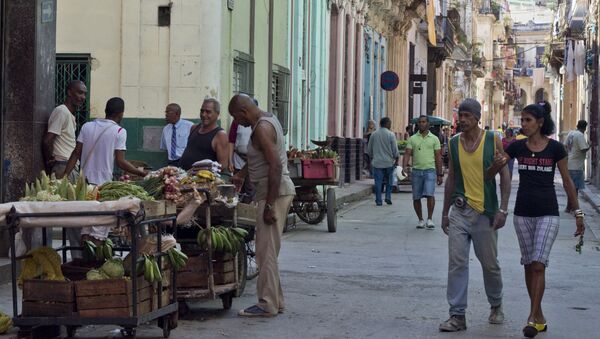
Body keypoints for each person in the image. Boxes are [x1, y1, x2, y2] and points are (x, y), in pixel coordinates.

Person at [487, 101, 584, 338]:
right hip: (523, 213)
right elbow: (489, 174)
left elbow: (568, 181)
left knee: (539, 264)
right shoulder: (517, 147)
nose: (524, 124)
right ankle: (538, 315)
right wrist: (497, 165)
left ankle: (531, 318)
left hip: (548, 212)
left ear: (540, 122)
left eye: (528, 120)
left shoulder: (556, 149)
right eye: (522, 120)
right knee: (529, 264)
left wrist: (578, 212)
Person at [439, 98, 511, 332]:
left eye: (467, 116)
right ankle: (457, 315)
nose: (462, 120)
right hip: (460, 211)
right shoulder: (452, 143)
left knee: (489, 264)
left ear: (478, 118)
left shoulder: (493, 140)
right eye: (461, 115)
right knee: (457, 263)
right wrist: (444, 212)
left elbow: (505, 176)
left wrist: (503, 209)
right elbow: (452, 179)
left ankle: (496, 304)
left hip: (486, 213)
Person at [228, 94, 296, 317]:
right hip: (273, 190)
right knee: (269, 251)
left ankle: (267, 303)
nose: (237, 123)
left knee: (264, 251)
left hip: (273, 192)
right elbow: (261, 158)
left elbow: (275, 165)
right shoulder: (267, 119)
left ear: (244, 112)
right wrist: (241, 174)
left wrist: (268, 205)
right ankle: (277, 301)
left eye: (237, 118)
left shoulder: (261, 129)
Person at [62, 97, 147, 242]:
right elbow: (120, 162)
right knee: (99, 231)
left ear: (106, 111)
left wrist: (64, 178)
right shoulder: (120, 131)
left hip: (85, 187)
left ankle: (85, 261)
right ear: (121, 113)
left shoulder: (87, 126)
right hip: (103, 189)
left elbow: (76, 153)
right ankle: (94, 262)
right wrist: (140, 172)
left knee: (86, 228)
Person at [38, 80, 86, 257]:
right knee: (72, 216)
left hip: (68, 167)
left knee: (73, 216)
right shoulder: (61, 111)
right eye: (79, 93)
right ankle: (77, 257)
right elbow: (47, 140)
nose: (82, 97)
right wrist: (49, 161)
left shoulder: (69, 114)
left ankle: (75, 256)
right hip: (63, 166)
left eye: (84, 94)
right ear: (69, 92)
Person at [402, 115, 443, 229]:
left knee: (430, 195)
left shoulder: (434, 139)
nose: (421, 124)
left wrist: (439, 174)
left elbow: (438, 157)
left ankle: (429, 219)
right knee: (416, 197)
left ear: (428, 124)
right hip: (416, 171)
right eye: (420, 122)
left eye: (424, 122)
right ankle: (420, 219)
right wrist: (404, 168)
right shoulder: (413, 139)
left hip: (430, 171)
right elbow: (407, 154)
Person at [179, 98, 229, 171]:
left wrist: (201, 173)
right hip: (183, 177)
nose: (203, 114)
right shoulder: (194, 128)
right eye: (202, 111)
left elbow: (223, 165)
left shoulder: (220, 135)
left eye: (208, 112)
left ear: (217, 114)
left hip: (202, 180)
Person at [228, 97, 258, 202]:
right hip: (238, 159)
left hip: (252, 161)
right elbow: (231, 141)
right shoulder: (237, 122)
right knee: (237, 188)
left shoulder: (260, 126)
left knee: (251, 188)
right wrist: (230, 160)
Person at [367, 117, 399, 206]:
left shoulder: (374, 134)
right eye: (390, 123)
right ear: (387, 124)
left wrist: (373, 157)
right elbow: (394, 149)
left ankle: (378, 200)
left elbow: (369, 150)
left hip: (377, 162)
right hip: (389, 162)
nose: (390, 125)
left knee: (378, 182)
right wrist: (396, 158)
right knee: (389, 181)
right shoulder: (391, 134)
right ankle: (388, 197)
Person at [564, 119, 589, 212]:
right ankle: (575, 209)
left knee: (570, 188)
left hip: (569, 164)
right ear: (584, 128)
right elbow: (583, 149)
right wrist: (589, 146)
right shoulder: (580, 135)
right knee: (575, 189)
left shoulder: (571, 133)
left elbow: (565, 146)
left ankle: (569, 207)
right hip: (577, 166)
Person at [160, 103, 193, 167]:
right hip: (171, 163)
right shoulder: (166, 129)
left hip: (185, 162)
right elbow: (166, 148)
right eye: (165, 112)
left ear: (177, 114)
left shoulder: (189, 126)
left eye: (168, 112)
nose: (166, 115)